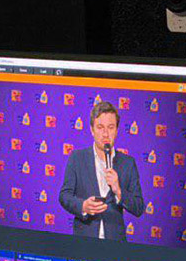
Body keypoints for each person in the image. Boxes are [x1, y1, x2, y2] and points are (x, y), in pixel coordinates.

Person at [58, 101, 145, 240]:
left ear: (116, 130)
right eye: (100, 127)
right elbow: (64, 196)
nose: (105, 134)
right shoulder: (77, 158)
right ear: (92, 130)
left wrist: (118, 190)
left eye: (110, 127)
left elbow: (139, 207)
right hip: (84, 239)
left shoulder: (128, 163)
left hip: (115, 242)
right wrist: (83, 206)